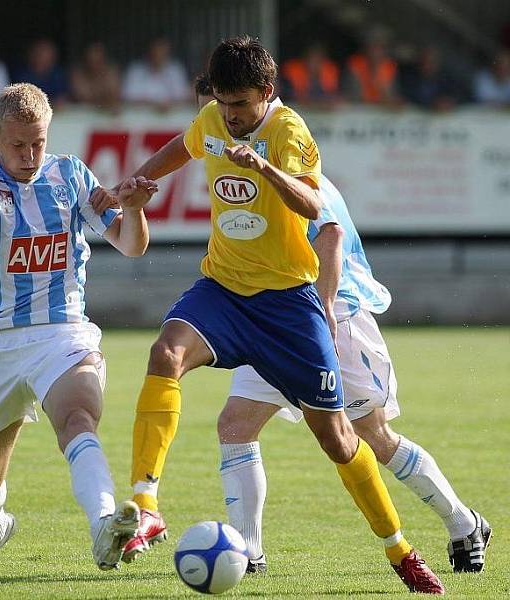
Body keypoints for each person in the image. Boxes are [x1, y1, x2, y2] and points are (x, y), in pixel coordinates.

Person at [92, 36, 444, 594]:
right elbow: (183, 147)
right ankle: (146, 501)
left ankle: (399, 550)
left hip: (288, 304)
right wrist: (136, 182)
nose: (231, 117)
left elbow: (311, 204)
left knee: (335, 436)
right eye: (224, 104)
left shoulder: (289, 133)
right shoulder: (212, 120)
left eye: (241, 106)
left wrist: (261, 166)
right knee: (165, 353)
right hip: (225, 290)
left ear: (267, 92)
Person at [0, 83, 159, 582]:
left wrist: (133, 208)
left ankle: (106, 522)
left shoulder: (70, 175)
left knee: (78, 418)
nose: (29, 155)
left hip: (63, 334)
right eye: (18, 145)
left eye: (38, 143)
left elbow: (131, 246)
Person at [216, 174, 492, 575]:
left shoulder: (293, 168)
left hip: (335, 320)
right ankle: (248, 553)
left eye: (235, 107)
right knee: (236, 424)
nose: (225, 115)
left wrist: (324, 307)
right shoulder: (244, 173)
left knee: (373, 437)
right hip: (275, 320)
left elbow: (331, 236)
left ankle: (463, 524)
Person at [122, 38, 190, 110]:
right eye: (156, 50)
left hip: (171, 118)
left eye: (162, 51)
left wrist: (168, 104)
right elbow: (127, 99)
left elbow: (183, 98)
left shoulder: (175, 70)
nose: (159, 54)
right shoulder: (135, 71)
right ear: (149, 51)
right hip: (140, 117)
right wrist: (154, 105)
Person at [14, 39, 69, 107]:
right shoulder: (21, 75)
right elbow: (21, 101)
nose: (42, 58)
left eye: (46, 55)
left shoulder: (58, 74)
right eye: (39, 54)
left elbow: (62, 97)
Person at [70, 42, 122, 112]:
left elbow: (114, 94)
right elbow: (83, 97)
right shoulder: (78, 74)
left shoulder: (111, 72)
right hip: (83, 113)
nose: (94, 64)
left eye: (98, 61)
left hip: (108, 112)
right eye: (92, 60)